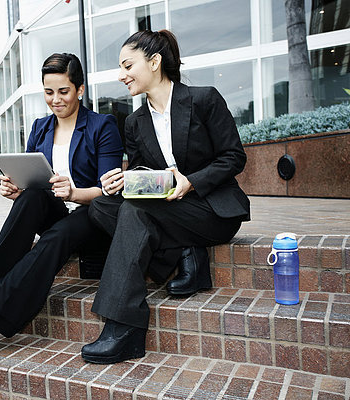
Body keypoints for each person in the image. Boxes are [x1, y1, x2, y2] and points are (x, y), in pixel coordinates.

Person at [0, 53, 123, 365]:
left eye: (64, 91)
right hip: (56, 212)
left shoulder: (103, 126)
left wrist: (74, 191)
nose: (55, 100)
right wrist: (15, 190)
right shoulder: (40, 128)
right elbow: (35, 180)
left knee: (57, 236)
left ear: (80, 90)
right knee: (31, 197)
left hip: (93, 216)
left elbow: (109, 189)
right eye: (49, 92)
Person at [80, 29, 250, 364]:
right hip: (168, 208)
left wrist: (191, 182)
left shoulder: (203, 99)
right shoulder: (134, 121)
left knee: (135, 212)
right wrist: (125, 180)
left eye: (128, 65)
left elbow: (234, 157)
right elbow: (147, 177)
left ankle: (123, 326)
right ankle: (186, 254)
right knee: (101, 206)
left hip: (210, 209)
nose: (121, 75)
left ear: (154, 62)